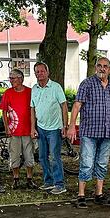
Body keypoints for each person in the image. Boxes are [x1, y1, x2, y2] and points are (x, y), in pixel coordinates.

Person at [67, 56, 110, 208]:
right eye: (99, 65)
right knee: (87, 163)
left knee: (102, 163)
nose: (102, 68)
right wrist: (72, 126)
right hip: (89, 131)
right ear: (96, 67)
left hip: (106, 132)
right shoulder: (87, 83)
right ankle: (81, 195)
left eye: (105, 66)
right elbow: (77, 105)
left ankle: (99, 194)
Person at [30, 62, 69, 195]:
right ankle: (48, 181)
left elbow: (64, 106)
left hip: (54, 128)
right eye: (37, 72)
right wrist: (32, 128)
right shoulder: (34, 89)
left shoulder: (56, 87)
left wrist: (65, 125)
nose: (39, 74)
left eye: (42, 71)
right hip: (40, 127)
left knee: (54, 156)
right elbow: (32, 109)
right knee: (42, 157)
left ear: (47, 72)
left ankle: (60, 184)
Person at [0, 69, 36, 189]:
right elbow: (4, 112)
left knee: (29, 156)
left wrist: (33, 128)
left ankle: (29, 179)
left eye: (13, 78)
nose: (10, 80)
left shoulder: (30, 92)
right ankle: (16, 179)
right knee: (14, 156)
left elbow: (34, 110)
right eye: (10, 78)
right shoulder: (8, 93)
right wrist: (6, 128)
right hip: (14, 131)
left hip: (27, 130)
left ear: (20, 78)